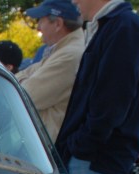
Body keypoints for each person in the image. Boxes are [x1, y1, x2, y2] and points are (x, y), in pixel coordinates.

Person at [54, 0, 139, 174]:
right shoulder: (111, 26)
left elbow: (114, 97)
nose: (74, 1)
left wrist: (83, 145)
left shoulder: (124, 26)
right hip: (91, 158)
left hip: (97, 161)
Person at [15, 0, 85, 142]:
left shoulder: (69, 55)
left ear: (58, 24)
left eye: (41, 21)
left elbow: (25, 96)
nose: (38, 28)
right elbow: (19, 80)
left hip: (50, 146)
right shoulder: (62, 50)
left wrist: (21, 82)